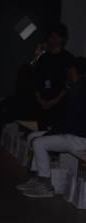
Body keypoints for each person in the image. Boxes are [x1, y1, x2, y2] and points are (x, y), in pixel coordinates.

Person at [17, 57, 86, 198]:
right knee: (33, 137)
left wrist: (51, 133)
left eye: (69, 69)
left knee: (38, 142)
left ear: (75, 70)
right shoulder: (77, 87)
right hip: (71, 133)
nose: (67, 72)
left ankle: (46, 185)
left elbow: (69, 121)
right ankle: (39, 178)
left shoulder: (79, 90)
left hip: (78, 139)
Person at [33, 23, 74, 132]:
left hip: (60, 104)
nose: (54, 40)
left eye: (57, 37)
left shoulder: (68, 58)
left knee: (56, 133)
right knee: (42, 132)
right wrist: (40, 99)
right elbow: (36, 80)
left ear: (63, 39)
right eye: (51, 37)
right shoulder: (43, 58)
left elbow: (70, 82)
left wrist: (55, 101)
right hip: (42, 102)